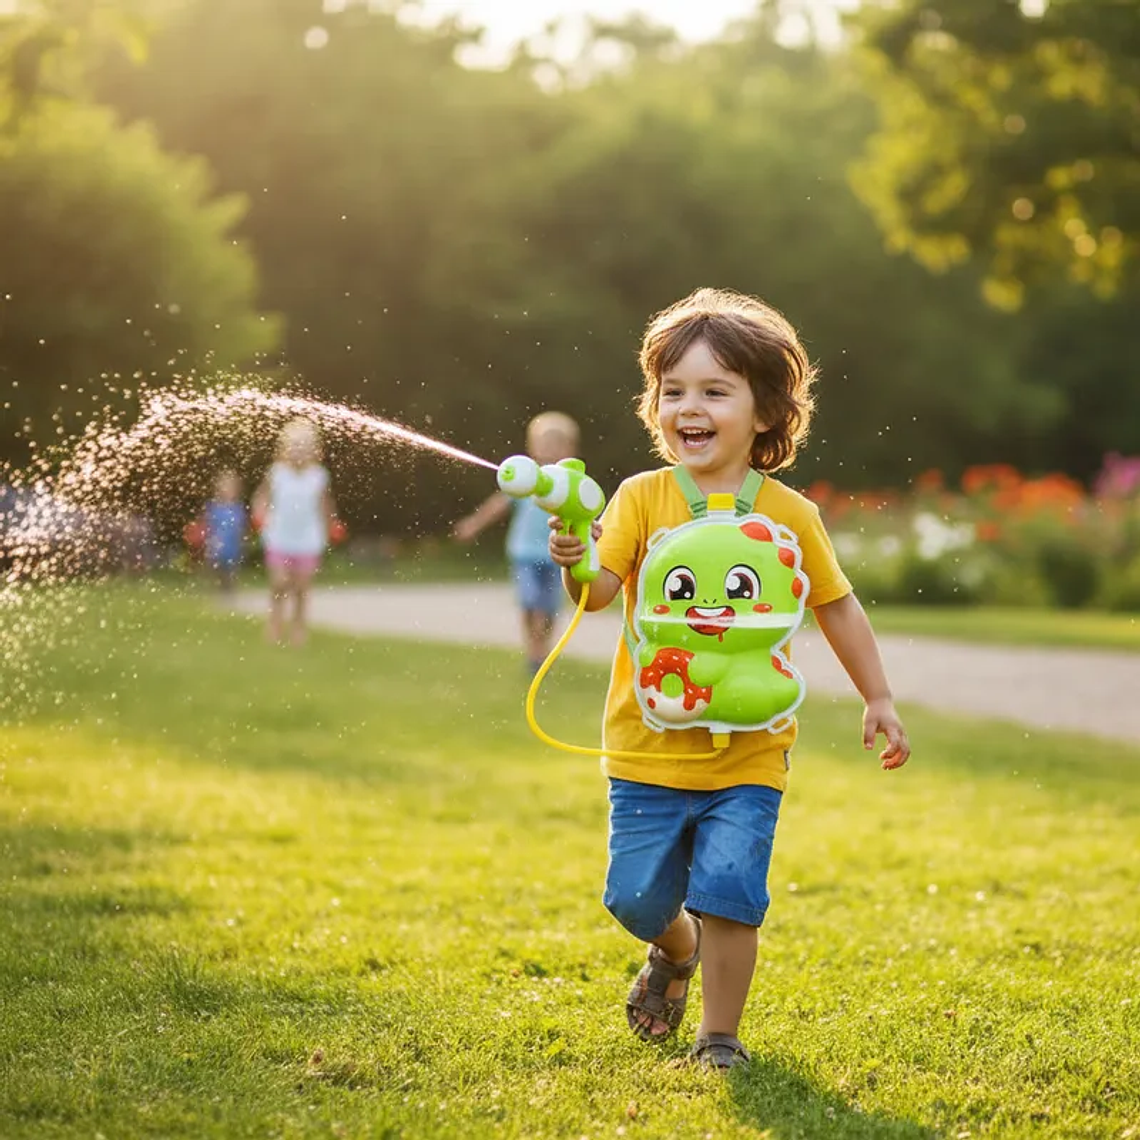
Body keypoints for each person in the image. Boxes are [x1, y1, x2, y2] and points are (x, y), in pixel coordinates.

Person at [548, 288, 911, 1071]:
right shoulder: (641, 498)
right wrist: (579, 560)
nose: (690, 407)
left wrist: (878, 696)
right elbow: (599, 595)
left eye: (715, 390)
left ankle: (720, 1037)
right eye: (673, 391)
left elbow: (838, 607)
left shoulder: (790, 515)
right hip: (646, 746)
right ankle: (672, 952)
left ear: (767, 410)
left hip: (750, 752)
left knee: (730, 891)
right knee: (634, 899)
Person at [453, 411, 581, 675]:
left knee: (549, 607)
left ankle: (543, 647)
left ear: (570, 450)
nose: (549, 450)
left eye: (557, 444)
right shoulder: (527, 480)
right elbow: (498, 505)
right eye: (543, 443)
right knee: (530, 602)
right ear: (532, 447)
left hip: (557, 556)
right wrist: (473, 524)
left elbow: (584, 511)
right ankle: (534, 653)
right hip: (524, 553)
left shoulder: (570, 483)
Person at [253, 418, 337, 646]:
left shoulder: (318, 476)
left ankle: (299, 627)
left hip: (308, 539)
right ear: (283, 449)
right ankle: (275, 622)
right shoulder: (277, 473)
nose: (299, 451)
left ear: (315, 451)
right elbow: (262, 496)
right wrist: (260, 513)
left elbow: (325, 504)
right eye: (294, 446)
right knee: (279, 583)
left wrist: (331, 525)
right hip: (279, 536)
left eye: (305, 446)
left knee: (301, 588)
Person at [200, 470, 247, 592]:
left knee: (230, 572)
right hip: (216, 546)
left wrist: (242, 544)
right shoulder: (213, 507)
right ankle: (215, 594)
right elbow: (208, 527)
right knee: (216, 571)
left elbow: (241, 529)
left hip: (232, 547)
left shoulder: (238, 508)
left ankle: (229, 595)